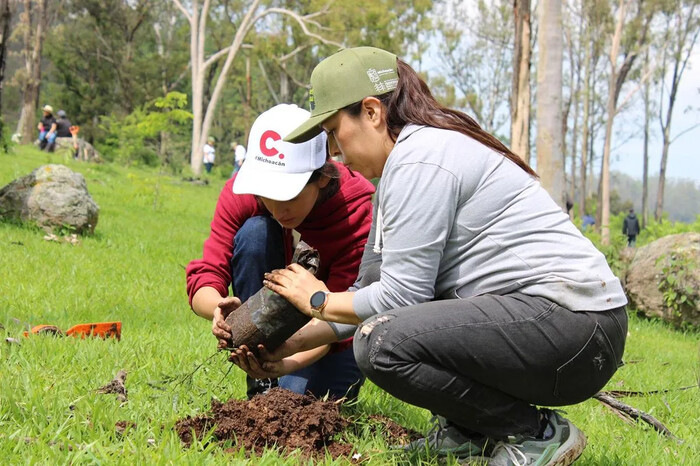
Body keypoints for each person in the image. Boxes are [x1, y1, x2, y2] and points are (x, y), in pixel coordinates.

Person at [239, 47, 628, 466]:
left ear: (371, 112)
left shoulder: (422, 159)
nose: (335, 152)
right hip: (558, 328)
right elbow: (369, 295)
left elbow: (398, 303)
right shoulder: (398, 173)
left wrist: (316, 300)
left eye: (334, 131)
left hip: (576, 328)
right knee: (385, 331)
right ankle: (469, 433)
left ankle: (534, 434)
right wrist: (290, 347)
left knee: (382, 343)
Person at [187, 103, 375, 400]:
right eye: (267, 192)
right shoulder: (242, 194)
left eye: (288, 194)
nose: (277, 208)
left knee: (295, 400)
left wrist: (285, 362)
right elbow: (207, 273)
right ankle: (260, 377)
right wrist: (218, 308)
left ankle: (279, 379)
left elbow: (339, 319)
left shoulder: (354, 214)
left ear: (322, 177)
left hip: (331, 334)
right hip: (280, 323)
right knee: (255, 233)